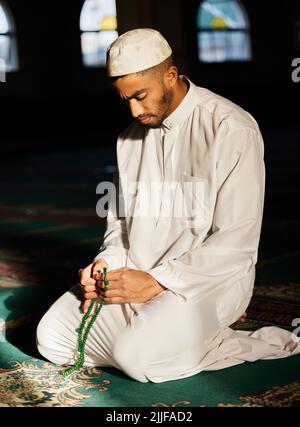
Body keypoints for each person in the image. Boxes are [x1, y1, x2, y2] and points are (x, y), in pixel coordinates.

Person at [36, 28, 300, 383]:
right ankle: (153, 337)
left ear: (170, 76)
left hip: (206, 284)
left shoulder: (230, 127)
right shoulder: (129, 138)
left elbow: (236, 244)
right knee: (50, 337)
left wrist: (157, 282)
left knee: (136, 359)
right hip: (135, 276)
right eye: (125, 99)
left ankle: (194, 339)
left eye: (141, 96)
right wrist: (106, 264)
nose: (134, 109)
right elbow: (121, 227)